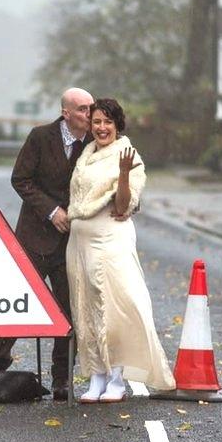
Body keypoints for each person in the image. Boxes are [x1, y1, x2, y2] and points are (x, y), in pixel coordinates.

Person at [66, 98, 176, 403]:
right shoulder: (86, 154)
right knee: (86, 308)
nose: (102, 128)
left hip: (110, 239)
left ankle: (116, 379)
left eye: (108, 123)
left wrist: (124, 174)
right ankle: (96, 377)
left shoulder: (127, 155)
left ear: (118, 126)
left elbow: (123, 205)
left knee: (113, 306)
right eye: (97, 122)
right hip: (80, 242)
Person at [0, 87, 93, 401]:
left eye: (91, 109)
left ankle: (62, 379)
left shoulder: (94, 143)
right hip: (33, 237)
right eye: (83, 109)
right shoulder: (40, 137)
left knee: (67, 310)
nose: (89, 115)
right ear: (66, 113)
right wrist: (50, 210)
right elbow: (20, 179)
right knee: (18, 303)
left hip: (70, 242)